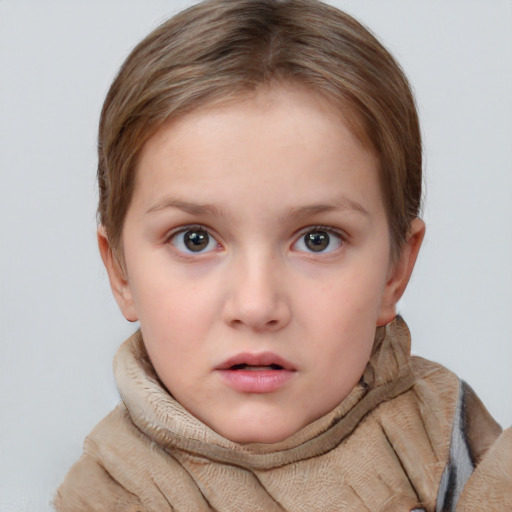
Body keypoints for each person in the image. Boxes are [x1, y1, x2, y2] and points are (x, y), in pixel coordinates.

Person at [54, 0, 512, 510]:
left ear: (395, 271)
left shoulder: (451, 435)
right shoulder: (108, 493)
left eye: (317, 239)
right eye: (195, 239)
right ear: (119, 271)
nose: (255, 305)